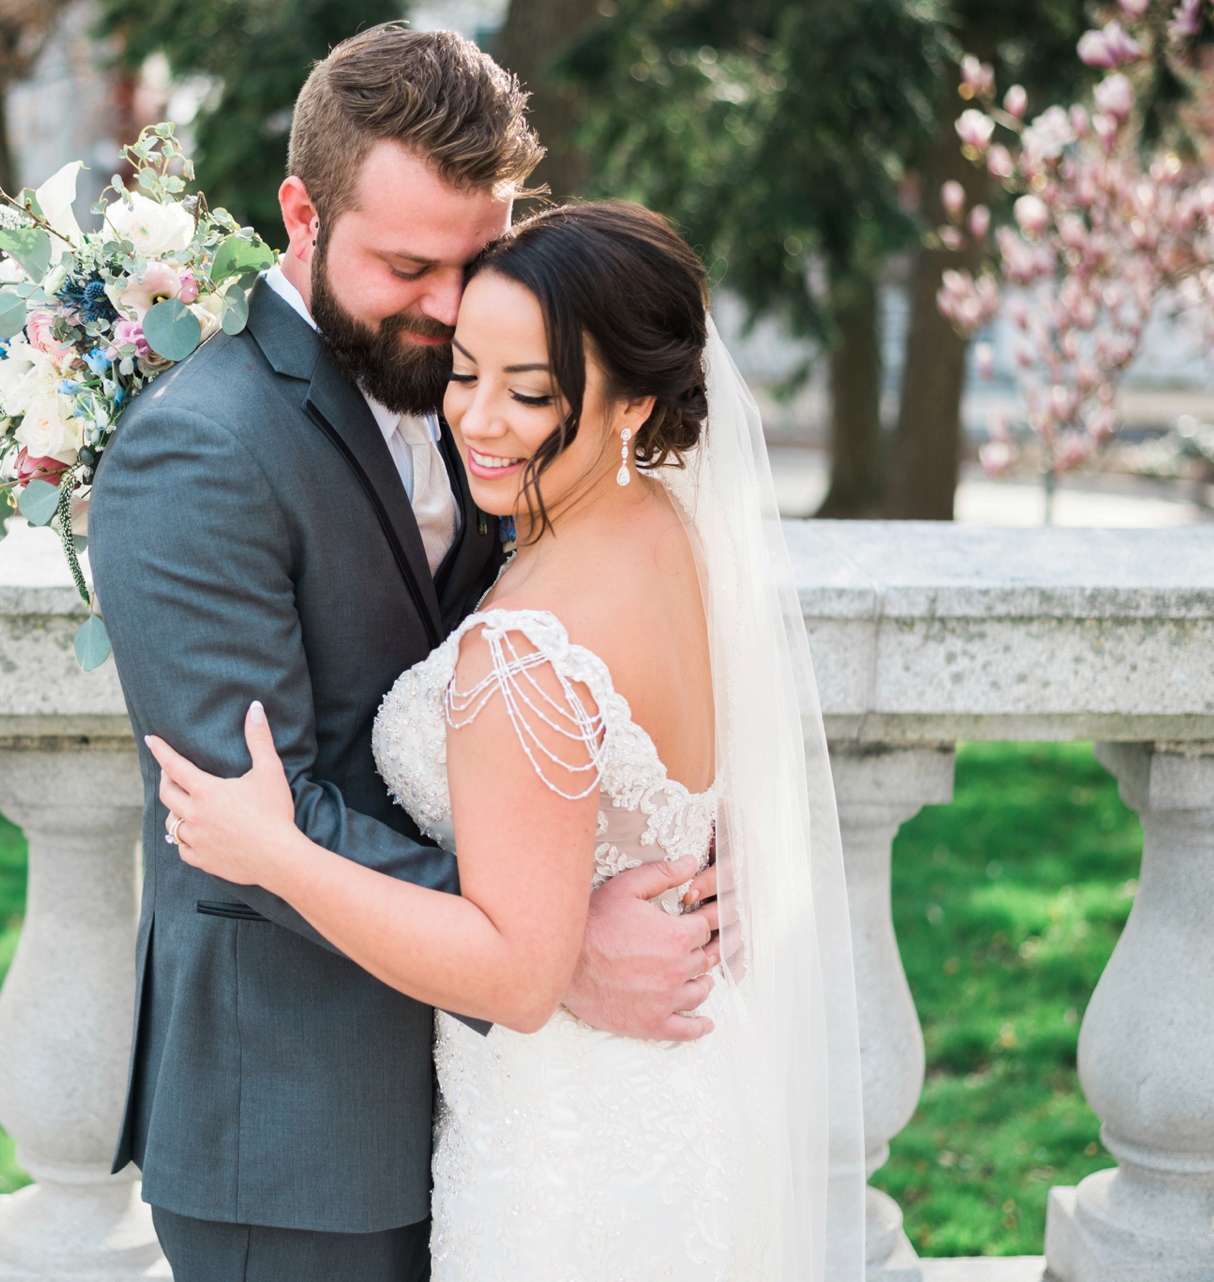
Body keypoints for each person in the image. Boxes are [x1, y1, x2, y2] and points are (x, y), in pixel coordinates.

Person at [88, 26, 735, 1282]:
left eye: (473, 260)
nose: (447, 312)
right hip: (301, 1133)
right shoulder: (198, 453)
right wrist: (549, 948)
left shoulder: (496, 394)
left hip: (506, 1113)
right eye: (404, 266)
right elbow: (245, 820)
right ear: (300, 214)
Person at [145, 202, 867, 1278]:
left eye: (530, 393)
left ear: (635, 404)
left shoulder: (526, 652)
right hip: (680, 1095)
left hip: (567, 1148)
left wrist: (277, 854)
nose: (477, 420)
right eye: (465, 371)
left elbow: (518, 975)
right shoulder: (669, 528)